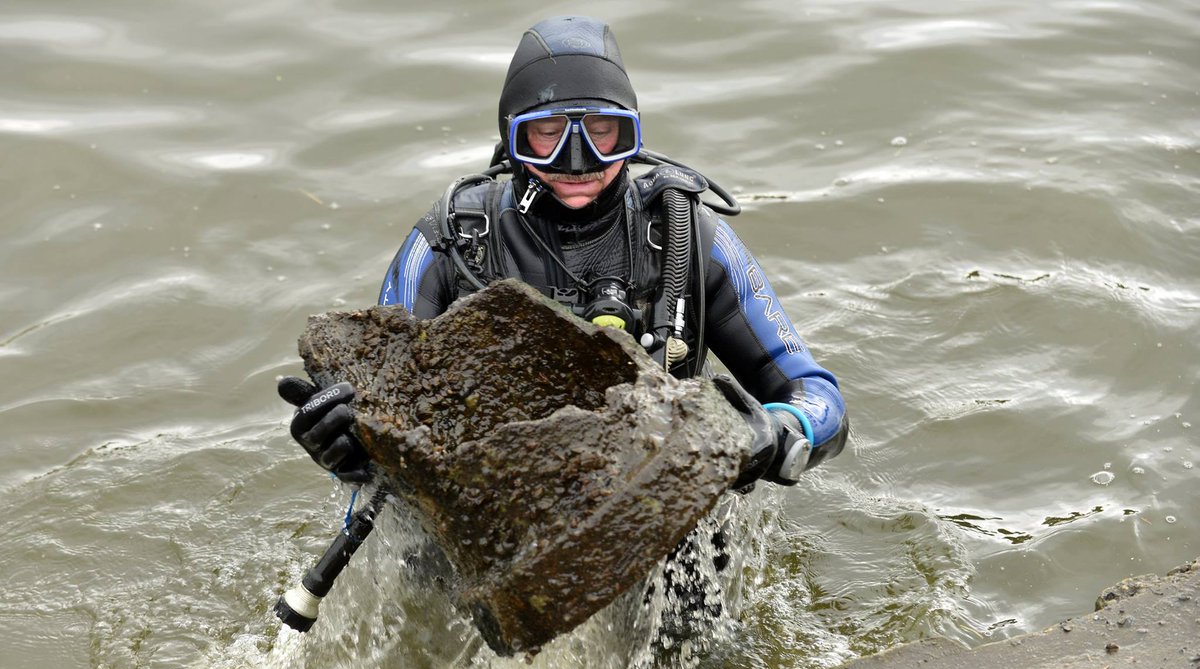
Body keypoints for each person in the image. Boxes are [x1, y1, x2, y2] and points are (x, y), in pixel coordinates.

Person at [281, 15, 848, 517]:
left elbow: (818, 397)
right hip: (493, 515)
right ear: (511, 138)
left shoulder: (688, 236)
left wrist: (772, 432)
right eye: (548, 134)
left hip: (657, 504)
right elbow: (378, 417)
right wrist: (345, 451)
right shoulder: (451, 244)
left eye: (602, 132)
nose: (577, 160)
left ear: (631, 136)